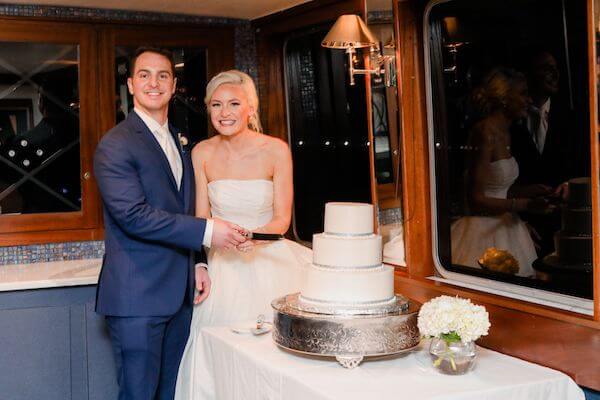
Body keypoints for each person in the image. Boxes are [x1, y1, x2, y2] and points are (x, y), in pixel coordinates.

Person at [94, 47, 247, 400]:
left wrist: (199, 261)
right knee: (138, 394)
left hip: (179, 296)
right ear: (131, 85)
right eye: (144, 75)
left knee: (171, 393)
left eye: (163, 75)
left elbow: (182, 207)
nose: (154, 82)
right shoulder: (115, 144)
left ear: (174, 84)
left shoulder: (180, 141)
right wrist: (210, 231)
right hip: (137, 298)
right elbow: (134, 216)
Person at [175, 70, 312, 400]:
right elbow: (201, 217)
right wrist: (215, 248)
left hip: (272, 258)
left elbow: (282, 218)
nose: (225, 113)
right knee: (224, 353)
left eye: (234, 103)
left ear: (251, 108)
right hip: (224, 265)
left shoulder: (276, 150)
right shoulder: (202, 153)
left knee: (280, 356)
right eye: (217, 105)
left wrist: (254, 237)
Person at [451, 67, 551, 277]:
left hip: (506, 224)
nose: (528, 99)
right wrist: (524, 205)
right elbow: (476, 198)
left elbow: (498, 188)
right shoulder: (484, 132)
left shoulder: (507, 131)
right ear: (505, 97)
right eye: (523, 93)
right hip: (482, 231)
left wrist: (530, 191)